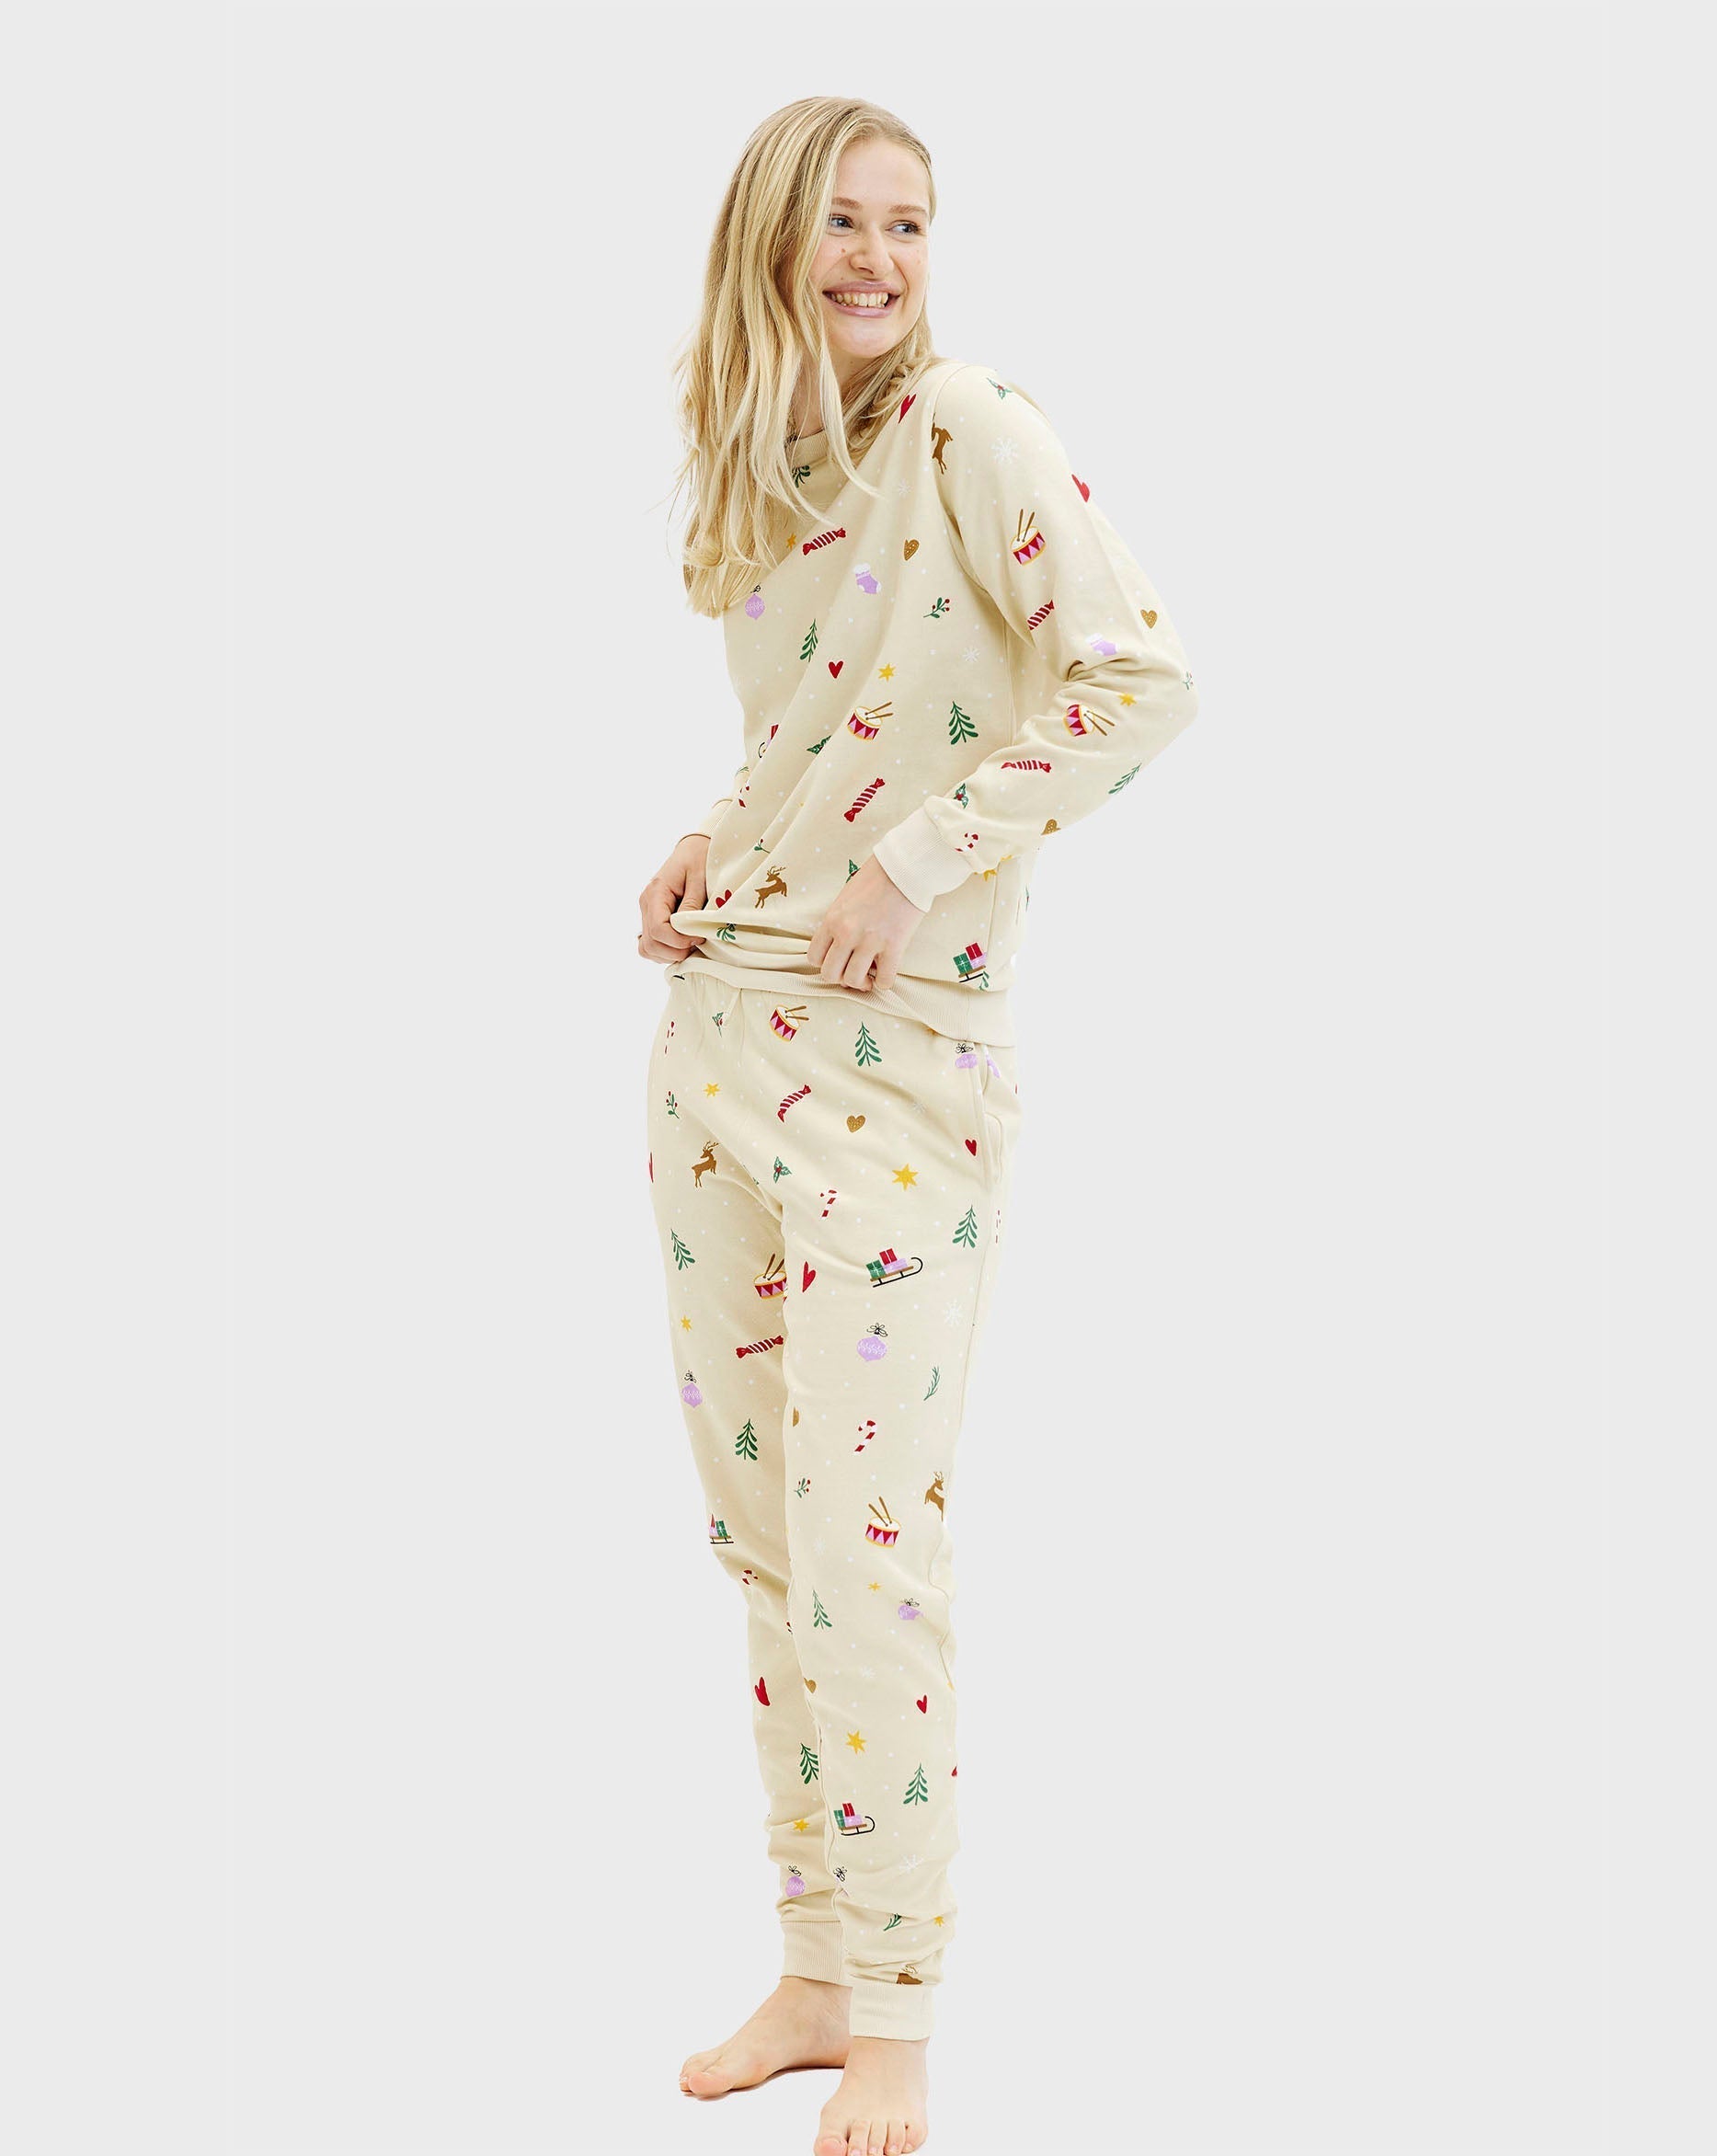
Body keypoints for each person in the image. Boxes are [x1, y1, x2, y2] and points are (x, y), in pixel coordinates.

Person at [637, 95, 1197, 2156]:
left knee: (867, 1554)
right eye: (847, 222)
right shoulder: (768, 462)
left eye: (911, 223)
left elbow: (1136, 679)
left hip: (894, 1071)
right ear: (771, 241)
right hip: (715, 1042)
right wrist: (711, 836)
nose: (881, 258)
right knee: (766, 1546)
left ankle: (895, 2017)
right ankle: (812, 1959)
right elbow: (813, 736)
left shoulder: (969, 424)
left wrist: (922, 861)